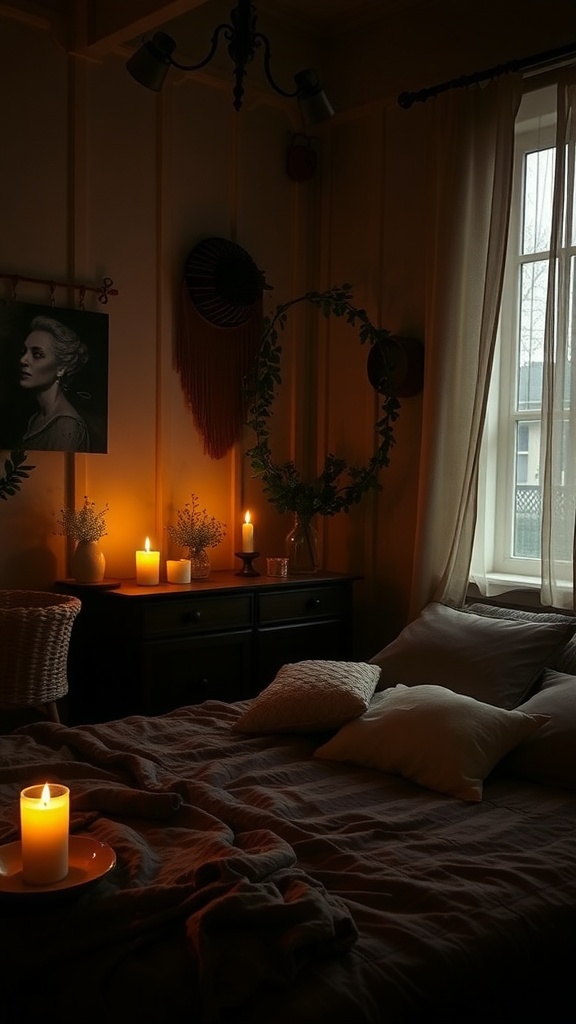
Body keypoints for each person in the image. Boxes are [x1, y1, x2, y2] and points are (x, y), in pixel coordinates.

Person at [19, 315, 90, 452]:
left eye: (37, 354)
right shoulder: (37, 418)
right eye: (24, 351)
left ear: (61, 368)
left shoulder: (66, 426)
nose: (23, 360)